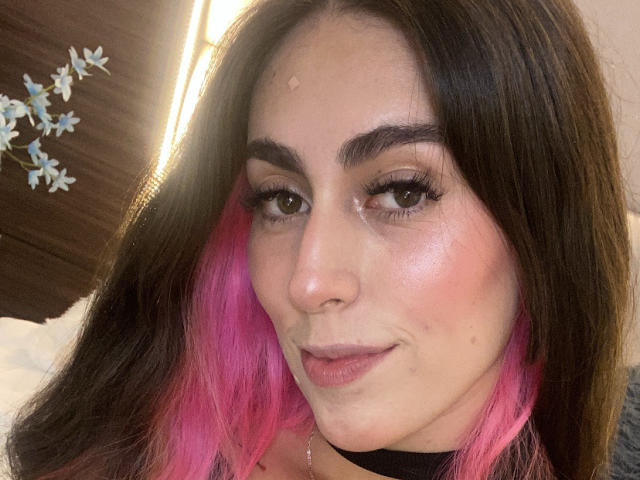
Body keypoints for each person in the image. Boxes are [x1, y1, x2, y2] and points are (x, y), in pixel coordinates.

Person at [4, 0, 633, 479]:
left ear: (543, 228)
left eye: (402, 192)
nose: (306, 282)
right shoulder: (165, 404)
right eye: (282, 199)